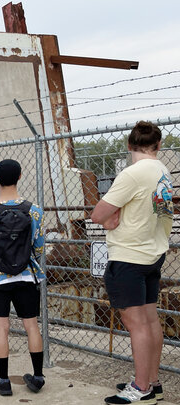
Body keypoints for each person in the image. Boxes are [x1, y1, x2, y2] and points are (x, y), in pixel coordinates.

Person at [92, 121, 171, 405]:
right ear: (158, 145)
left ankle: (141, 388)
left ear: (129, 145)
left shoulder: (131, 174)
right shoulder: (163, 171)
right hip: (153, 252)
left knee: (135, 324)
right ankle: (152, 381)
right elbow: (158, 211)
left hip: (129, 256)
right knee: (150, 320)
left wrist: (113, 217)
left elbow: (98, 214)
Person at [0, 159, 46, 397]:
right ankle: (37, 376)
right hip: (27, 276)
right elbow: (38, 247)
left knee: (1, 328)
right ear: (21, 176)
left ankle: (4, 381)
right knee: (31, 325)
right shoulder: (34, 210)